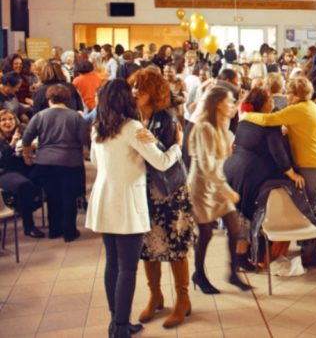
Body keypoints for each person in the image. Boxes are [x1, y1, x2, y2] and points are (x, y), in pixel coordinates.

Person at [86, 79, 183, 338]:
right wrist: (177, 146)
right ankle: (120, 327)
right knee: (127, 268)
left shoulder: (98, 128)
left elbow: (95, 161)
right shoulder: (131, 127)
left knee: (113, 264)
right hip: (127, 201)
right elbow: (162, 162)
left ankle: (115, 320)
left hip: (104, 198)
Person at [129, 70, 196, 329]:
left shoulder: (165, 118)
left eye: (142, 89)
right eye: (134, 87)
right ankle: (155, 295)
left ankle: (183, 299)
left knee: (175, 245)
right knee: (149, 246)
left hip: (170, 191)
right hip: (143, 191)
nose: (136, 92)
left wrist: (152, 142)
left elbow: (164, 159)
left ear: (155, 93)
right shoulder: (133, 118)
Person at [224, 87, 302, 269]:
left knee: (238, 214)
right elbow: (278, 153)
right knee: (245, 214)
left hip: (233, 168)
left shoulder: (245, 120)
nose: (273, 102)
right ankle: (245, 256)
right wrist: (291, 173)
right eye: (270, 100)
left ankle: (239, 257)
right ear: (262, 104)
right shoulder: (269, 124)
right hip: (250, 173)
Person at [187, 86, 249, 294]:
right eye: (229, 101)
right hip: (202, 187)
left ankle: (232, 273)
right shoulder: (204, 127)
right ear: (217, 104)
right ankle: (200, 275)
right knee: (205, 234)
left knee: (234, 229)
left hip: (216, 184)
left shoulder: (220, 123)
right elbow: (206, 166)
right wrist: (227, 191)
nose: (232, 104)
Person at [241, 76, 316, 210]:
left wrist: (246, 115)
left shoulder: (297, 109)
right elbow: (306, 129)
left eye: (288, 93)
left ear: (296, 94)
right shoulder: (311, 106)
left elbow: (269, 120)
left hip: (311, 164)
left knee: (305, 206)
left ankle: (312, 230)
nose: (285, 96)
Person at [22, 84, 89, 242]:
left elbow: (26, 139)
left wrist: (28, 156)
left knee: (52, 196)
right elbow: (83, 141)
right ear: (67, 99)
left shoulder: (40, 116)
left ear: (49, 98)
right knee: (69, 197)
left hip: (45, 162)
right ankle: (69, 232)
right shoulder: (75, 116)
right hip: (70, 161)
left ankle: (54, 230)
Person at [0, 109, 44, 238]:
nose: (8, 122)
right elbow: (4, 162)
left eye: (11, 119)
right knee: (24, 185)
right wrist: (12, 144)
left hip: (23, 167)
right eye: (3, 120)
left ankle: (27, 204)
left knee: (46, 175)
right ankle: (28, 226)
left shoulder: (22, 131)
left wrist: (30, 148)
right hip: (4, 172)